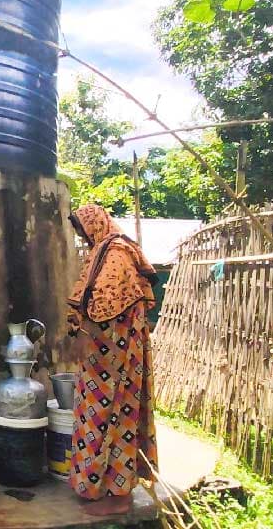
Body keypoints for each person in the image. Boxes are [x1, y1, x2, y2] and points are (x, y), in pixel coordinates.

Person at [64, 204, 159, 516]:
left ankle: (118, 496)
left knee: (115, 415)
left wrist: (85, 335)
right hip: (108, 355)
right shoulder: (109, 250)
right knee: (101, 416)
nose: (82, 237)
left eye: (82, 230)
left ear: (94, 224)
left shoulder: (115, 252)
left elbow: (108, 306)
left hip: (114, 358)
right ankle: (102, 486)